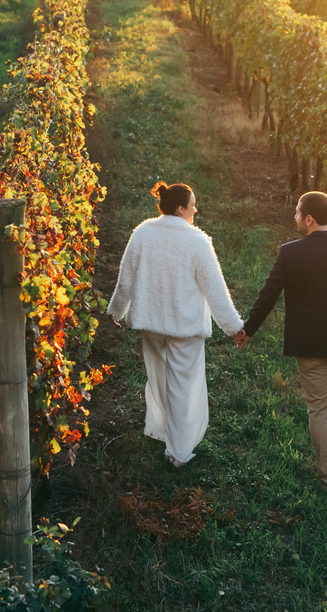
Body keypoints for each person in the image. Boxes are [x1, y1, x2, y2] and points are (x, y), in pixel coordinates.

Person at [234, 191, 327, 495]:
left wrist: (249, 329)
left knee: (319, 409)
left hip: (309, 345)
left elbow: (268, 294)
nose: (295, 218)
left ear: (309, 219)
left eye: (297, 213)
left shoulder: (290, 253)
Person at [108, 181, 246, 467]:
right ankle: (178, 451)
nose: (196, 209)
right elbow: (215, 291)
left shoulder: (143, 233)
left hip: (151, 323)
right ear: (181, 208)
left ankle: (163, 430)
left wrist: (116, 311)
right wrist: (235, 327)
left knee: (159, 378)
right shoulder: (197, 241)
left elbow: (126, 279)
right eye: (192, 205)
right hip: (185, 327)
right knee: (183, 384)